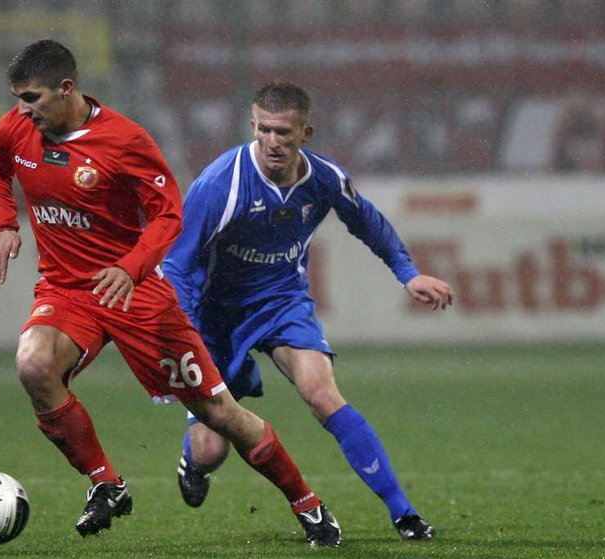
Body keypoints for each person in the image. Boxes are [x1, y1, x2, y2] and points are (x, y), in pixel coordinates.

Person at [0, 41, 341, 547]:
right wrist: (2, 224)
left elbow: (169, 213)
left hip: (137, 293)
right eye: (17, 98)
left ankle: (309, 504)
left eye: (32, 97)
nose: (22, 109)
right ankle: (107, 485)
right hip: (67, 288)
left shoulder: (124, 140)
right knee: (34, 365)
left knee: (219, 415)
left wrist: (130, 266)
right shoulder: (16, 128)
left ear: (66, 89)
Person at [163, 80, 454, 541]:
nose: (273, 142)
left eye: (284, 132)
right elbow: (177, 265)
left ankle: (405, 514)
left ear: (306, 133)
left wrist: (407, 272)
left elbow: (367, 221)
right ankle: (192, 459)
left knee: (322, 394)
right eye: (264, 131)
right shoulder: (221, 184)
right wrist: (182, 333)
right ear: (252, 126)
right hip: (213, 314)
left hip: (283, 302)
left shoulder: (324, 179)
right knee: (211, 450)